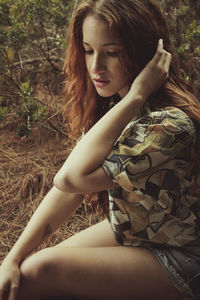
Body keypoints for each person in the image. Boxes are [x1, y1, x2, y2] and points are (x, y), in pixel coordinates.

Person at [0, 0, 200, 299]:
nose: (96, 67)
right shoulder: (118, 109)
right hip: (140, 230)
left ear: (146, 53)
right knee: (20, 273)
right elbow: (67, 193)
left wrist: (136, 94)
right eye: (88, 50)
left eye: (112, 52)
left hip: (183, 255)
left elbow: (69, 179)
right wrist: (12, 258)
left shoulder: (168, 124)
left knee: (39, 270)